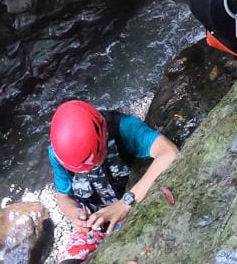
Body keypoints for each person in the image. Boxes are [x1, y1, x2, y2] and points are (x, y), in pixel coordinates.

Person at [48, 99, 179, 261]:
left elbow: (169, 153)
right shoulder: (59, 154)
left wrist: (125, 203)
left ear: (105, 136)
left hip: (133, 206)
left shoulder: (123, 128)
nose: (89, 171)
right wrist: (75, 214)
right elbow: (63, 196)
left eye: (94, 163)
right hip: (94, 224)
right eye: (81, 169)